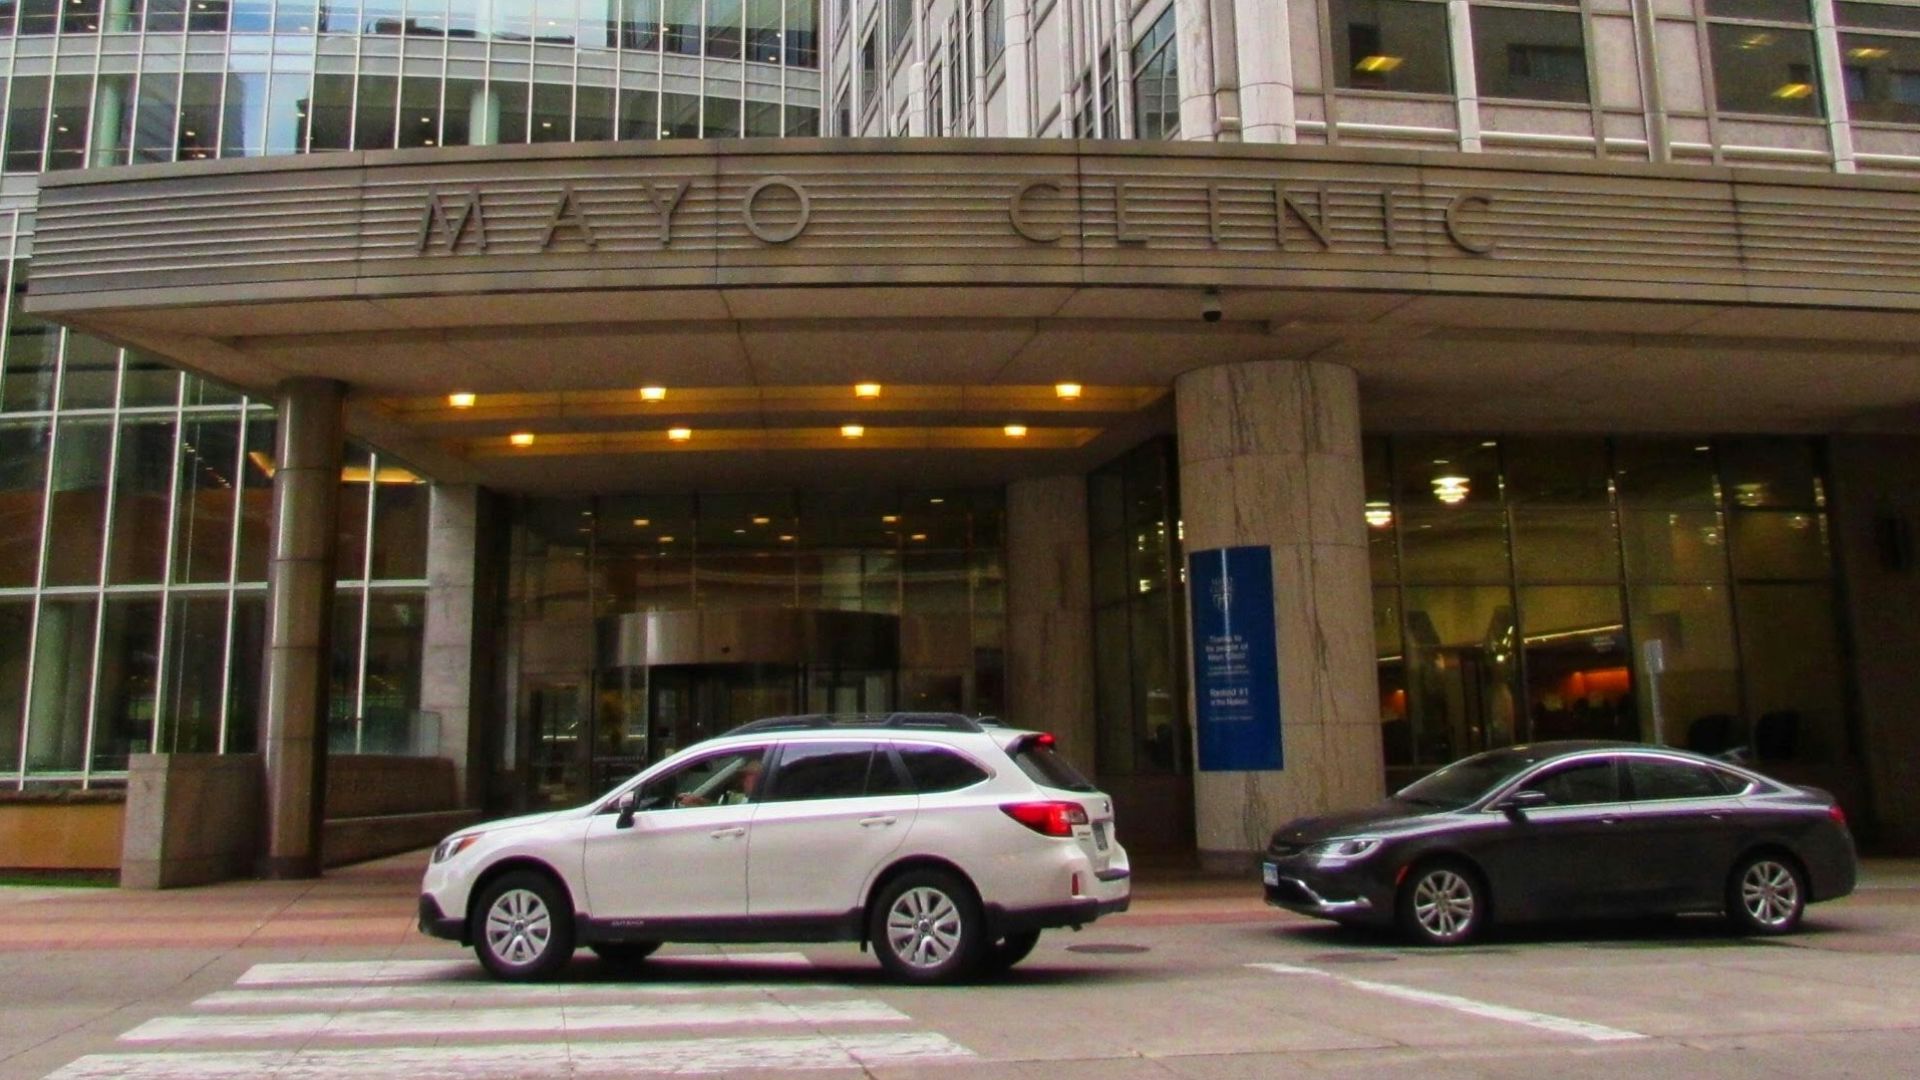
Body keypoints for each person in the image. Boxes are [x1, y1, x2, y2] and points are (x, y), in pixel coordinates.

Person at [676, 756, 763, 807]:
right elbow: (722, 810)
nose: (744, 780)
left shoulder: (759, 803)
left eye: (749, 776)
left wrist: (695, 804)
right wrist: (698, 800)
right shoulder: (742, 798)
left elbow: (728, 817)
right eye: (743, 776)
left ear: (759, 779)